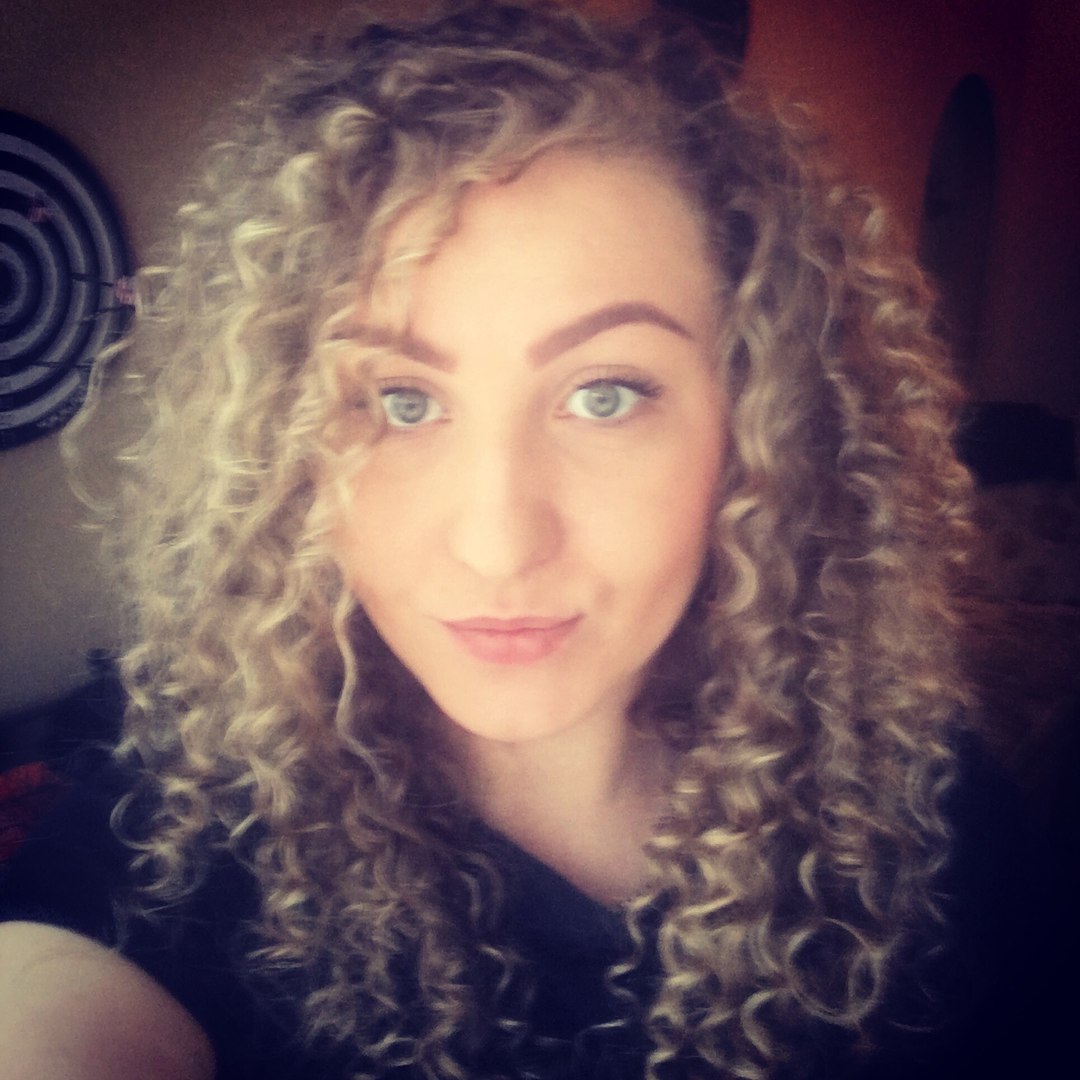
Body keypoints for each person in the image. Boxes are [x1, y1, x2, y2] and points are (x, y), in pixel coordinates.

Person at [0, 2, 1050, 1078]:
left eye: (605, 394)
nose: (499, 545)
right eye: (401, 402)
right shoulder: (180, 820)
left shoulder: (929, 818)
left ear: (759, 427)